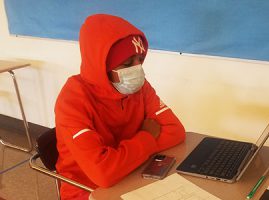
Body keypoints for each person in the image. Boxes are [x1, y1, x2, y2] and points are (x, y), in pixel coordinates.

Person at [55, 14, 185, 200]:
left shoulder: (140, 86)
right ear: (101, 66)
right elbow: (103, 174)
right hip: (86, 189)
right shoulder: (72, 100)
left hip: (134, 173)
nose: (137, 69)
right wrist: (147, 136)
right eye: (126, 64)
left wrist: (119, 159)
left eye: (140, 60)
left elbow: (176, 131)